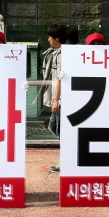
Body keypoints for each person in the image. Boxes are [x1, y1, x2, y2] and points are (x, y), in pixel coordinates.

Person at [46, 23, 67, 173]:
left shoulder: (62, 55)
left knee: (59, 129)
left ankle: (65, 161)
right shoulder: (56, 53)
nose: (48, 39)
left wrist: (56, 100)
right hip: (60, 99)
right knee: (56, 128)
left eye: (50, 37)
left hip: (62, 100)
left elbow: (61, 78)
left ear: (57, 38)